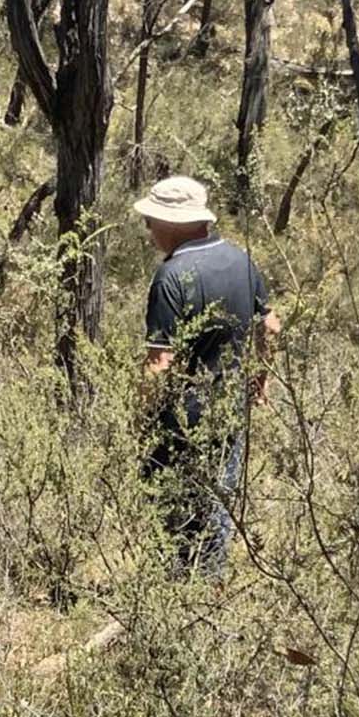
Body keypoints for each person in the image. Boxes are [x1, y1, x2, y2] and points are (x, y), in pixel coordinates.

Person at [133, 175, 280, 580]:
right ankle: (208, 601)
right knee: (215, 514)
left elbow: (159, 364)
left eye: (153, 220)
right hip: (228, 416)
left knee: (174, 523)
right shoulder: (240, 260)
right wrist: (259, 382)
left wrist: (138, 420)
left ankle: (179, 602)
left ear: (177, 222)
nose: (148, 228)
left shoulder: (171, 276)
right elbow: (271, 327)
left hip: (180, 425)